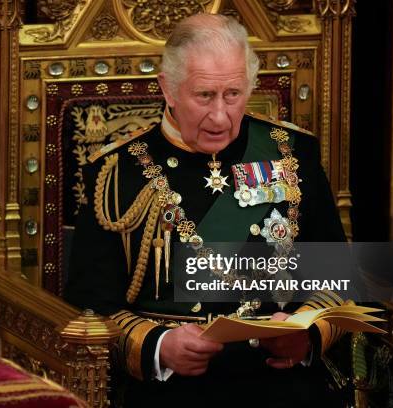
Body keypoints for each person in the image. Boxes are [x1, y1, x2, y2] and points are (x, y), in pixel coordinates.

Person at [65, 13, 347, 407]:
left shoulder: (291, 152)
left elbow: (337, 277)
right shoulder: (117, 171)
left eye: (233, 95)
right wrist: (158, 346)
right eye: (204, 96)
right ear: (168, 88)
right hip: (170, 388)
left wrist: (308, 334)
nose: (219, 116)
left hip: (279, 381)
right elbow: (89, 305)